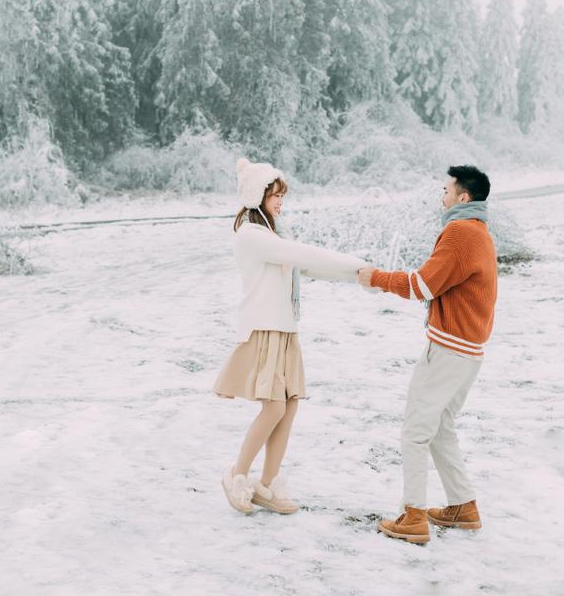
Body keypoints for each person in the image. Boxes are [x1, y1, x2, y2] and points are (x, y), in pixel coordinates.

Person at [213, 157, 366, 515]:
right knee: (274, 407)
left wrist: (361, 275)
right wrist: (356, 262)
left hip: (285, 331)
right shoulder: (253, 237)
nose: (281, 201)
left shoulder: (273, 237)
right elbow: (301, 254)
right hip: (264, 328)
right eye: (274, 195)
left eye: (282, 195)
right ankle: (236, 475)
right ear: (257, 196)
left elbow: (308, 265)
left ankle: (266, 485)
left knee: (289, 405)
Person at [358, 165, 497, 545]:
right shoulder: (480, 232)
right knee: (440, 429)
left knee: (415, 432)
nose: (443, 195)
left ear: (463, 197)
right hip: (468, 351)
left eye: (447, 190)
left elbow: (422, 285)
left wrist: (376, 278)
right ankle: (463, 507)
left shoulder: (460, 232)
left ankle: (414, 516)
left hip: (450, 349)